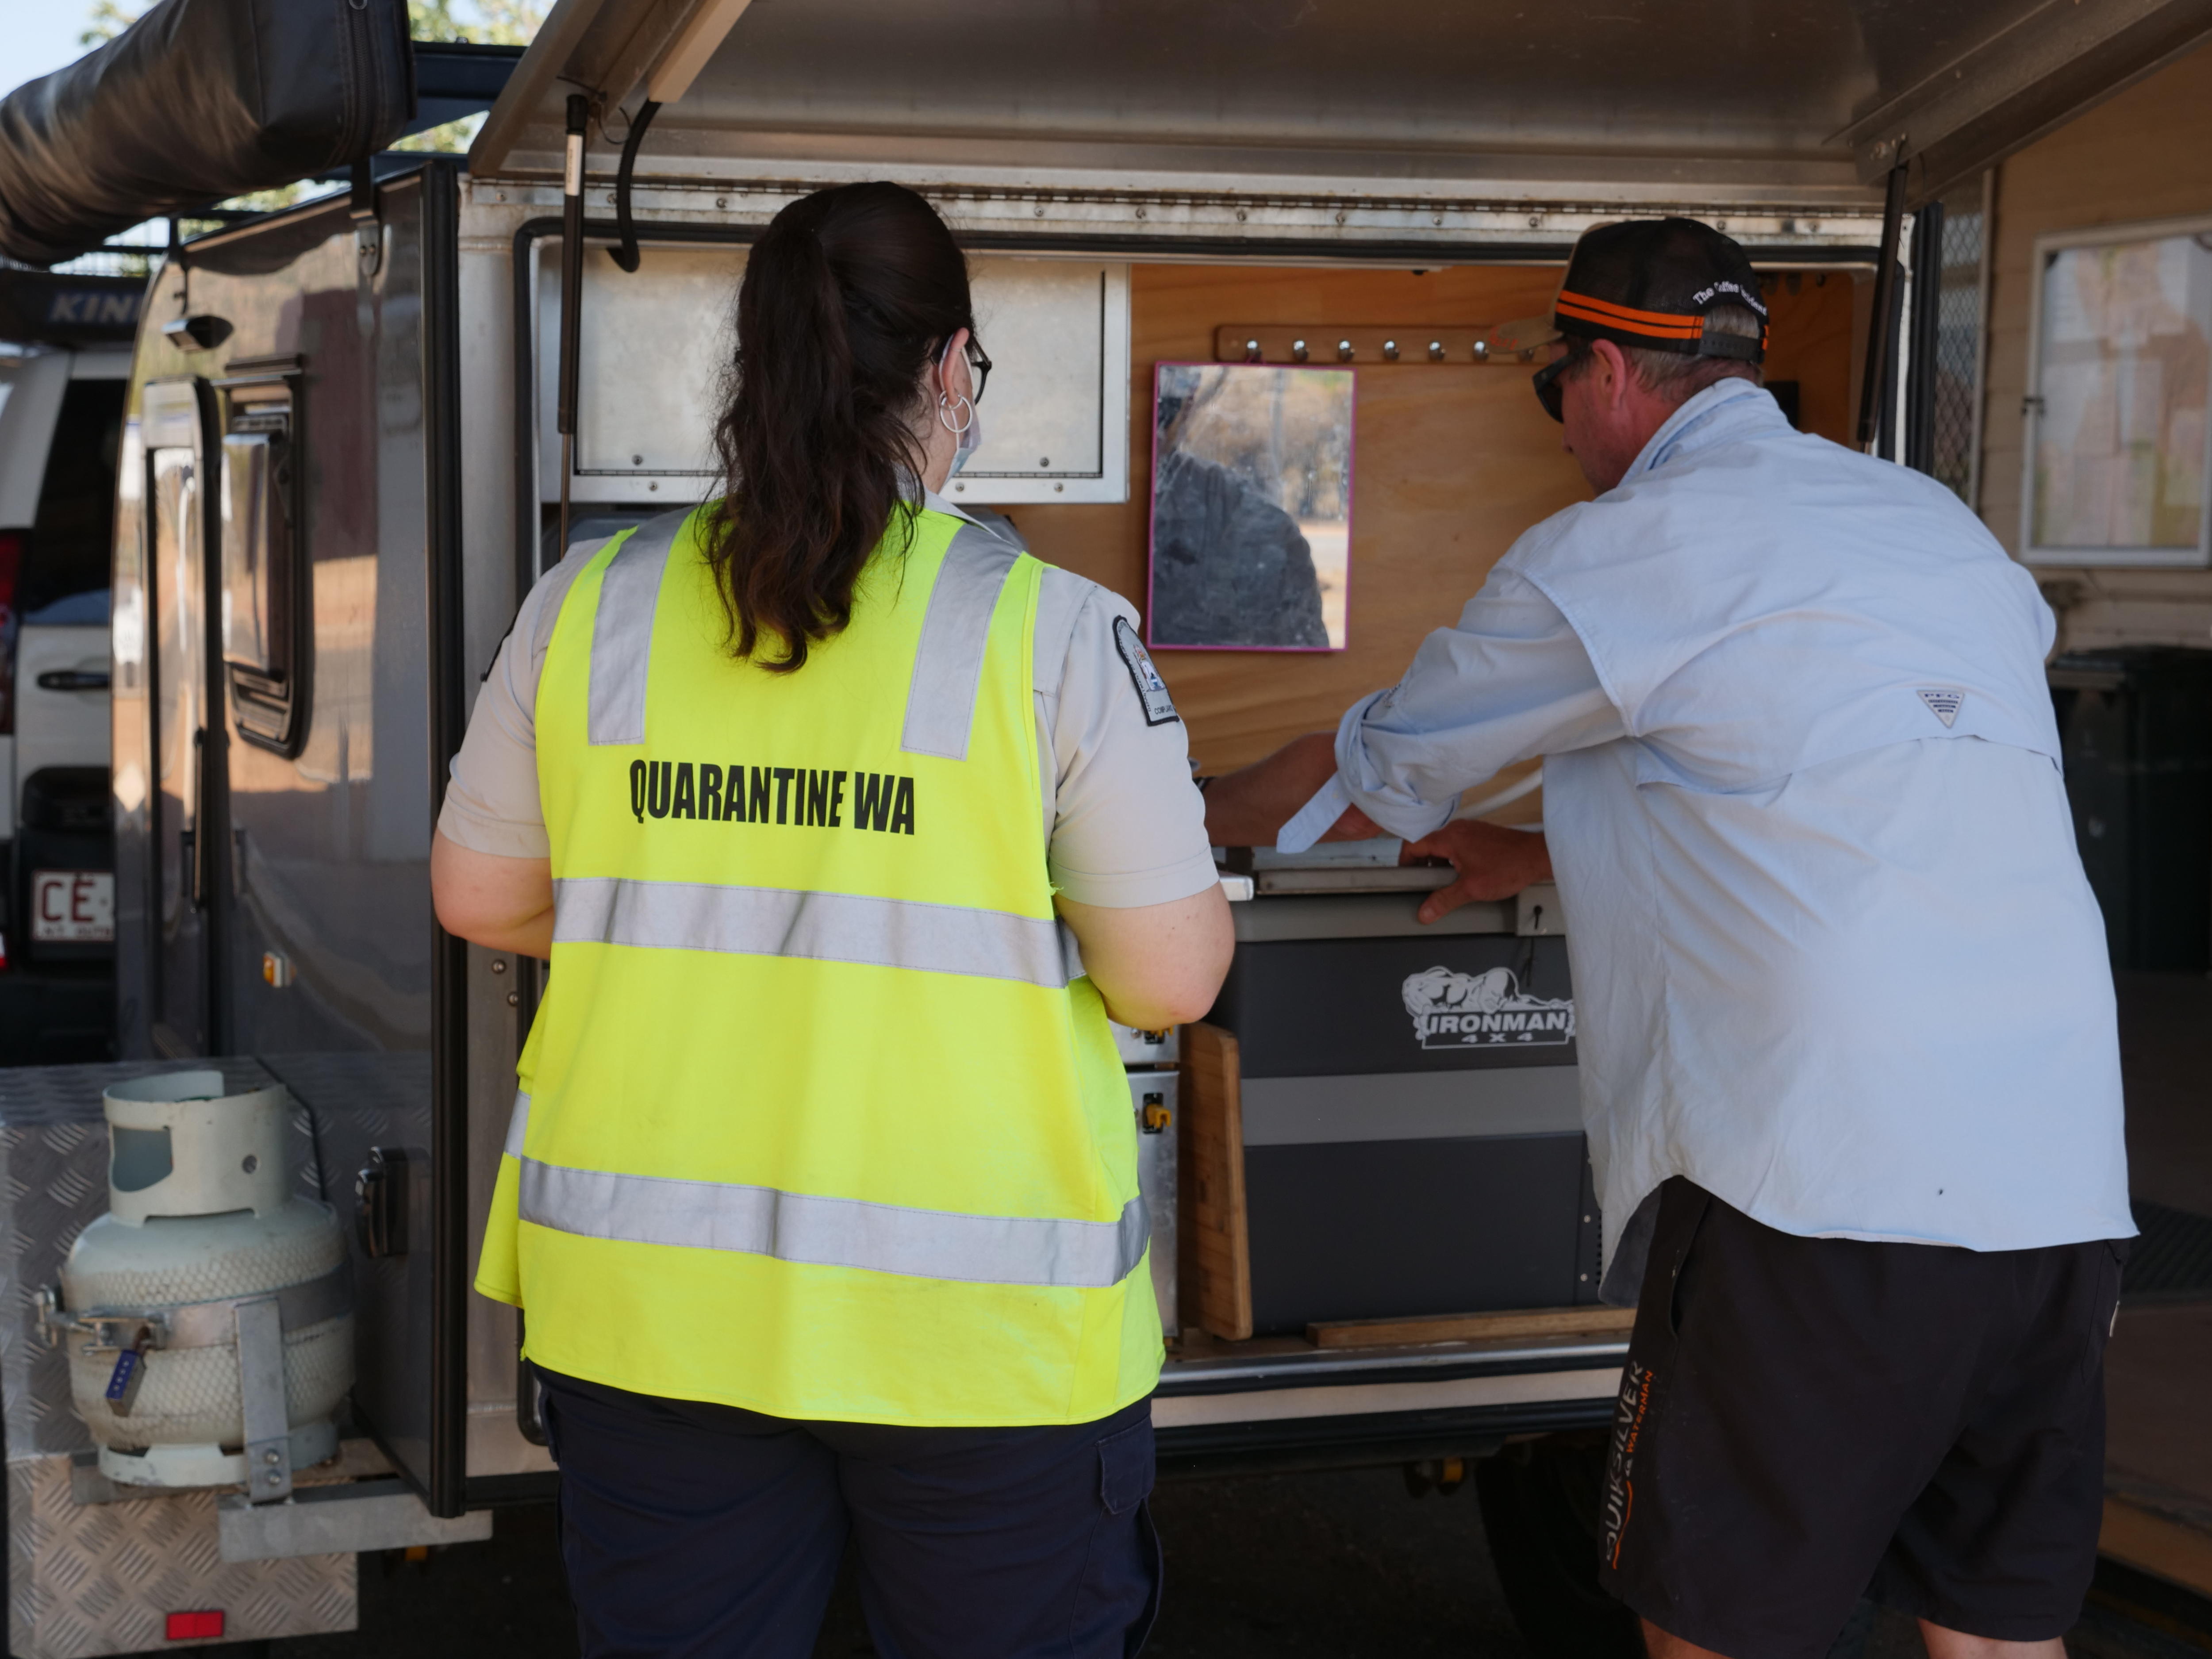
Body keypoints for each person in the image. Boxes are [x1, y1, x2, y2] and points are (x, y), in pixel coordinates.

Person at [1203, 219, 2131, 1659]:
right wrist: (1547, 850)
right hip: (2059, 1175)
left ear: (1611, 373)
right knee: (1995, 1628)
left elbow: (1374, 776)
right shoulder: (1939, 530)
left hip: (1820, 1184)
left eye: (1551, 384)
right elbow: (1850, 795)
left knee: (1720, 1628)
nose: (1562, 418)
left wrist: (1159, 804)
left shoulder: (1620, 551)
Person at [431, 180, 1233, 1659]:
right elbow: (1171, 977)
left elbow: (480, 894)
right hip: (978, 1348)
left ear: (757, 365)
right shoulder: (1053, 631)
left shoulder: (589, 605)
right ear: (952, 369)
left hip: (651, 1325)